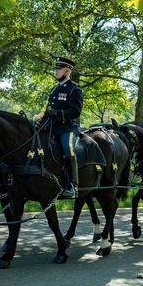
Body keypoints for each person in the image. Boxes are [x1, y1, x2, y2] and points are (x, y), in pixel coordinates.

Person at [33, 55, 83, 198]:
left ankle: (73, 185)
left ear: (67, 71)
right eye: (55, 68)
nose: (56, 71)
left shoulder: (74, 89)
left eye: (59, 69)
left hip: (67, 128)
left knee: (68, 149)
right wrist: (42, 117)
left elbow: (76, 111)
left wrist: (57, 113)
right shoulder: (54, 89)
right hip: (50, 126)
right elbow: (50, 110)